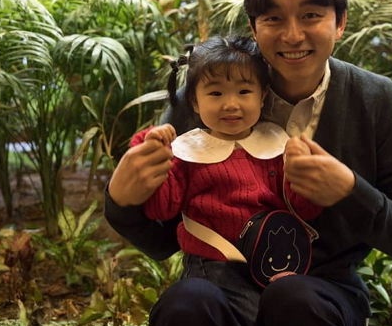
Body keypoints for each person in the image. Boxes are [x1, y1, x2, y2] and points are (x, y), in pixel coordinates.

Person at [105, 0, 392, 326]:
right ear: (254, 26)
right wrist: (121, 201)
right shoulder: (206, 98)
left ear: (340, 21)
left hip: (322, 292)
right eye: (274, 18)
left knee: (293, 299)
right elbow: (162, 241)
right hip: (216, 284)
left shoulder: (375, 100)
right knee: (184, 304)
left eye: (311, 15)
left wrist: (350, 191)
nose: (292, 35)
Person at [123, 35, 321, 270]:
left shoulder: (277, 144)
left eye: (244, 91)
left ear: (263, 97)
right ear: (194, 101)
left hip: (268, 264)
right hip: (208, 266)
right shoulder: (186, 153)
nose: (231, 105)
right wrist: (150, 149)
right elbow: (161, 209)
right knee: (195, 292)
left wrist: (302, 171)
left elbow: (305, 211)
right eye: (216, 93)